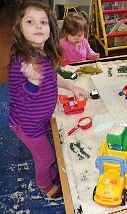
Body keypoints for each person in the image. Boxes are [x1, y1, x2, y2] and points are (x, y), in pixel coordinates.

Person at [8, 1, 87, 199]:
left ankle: (48, 172)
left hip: (40, 118)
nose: (38, 26)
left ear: (51, 27)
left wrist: (71, 86)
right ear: (19, 28)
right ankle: (43, 184)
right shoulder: (22, 62)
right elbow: (21, 99)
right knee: (47, 156)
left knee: (42, 153)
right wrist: (33, 83)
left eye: (43, 22)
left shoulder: (44, 53)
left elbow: (52, 76)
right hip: (26, 123)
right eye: (30, 21)